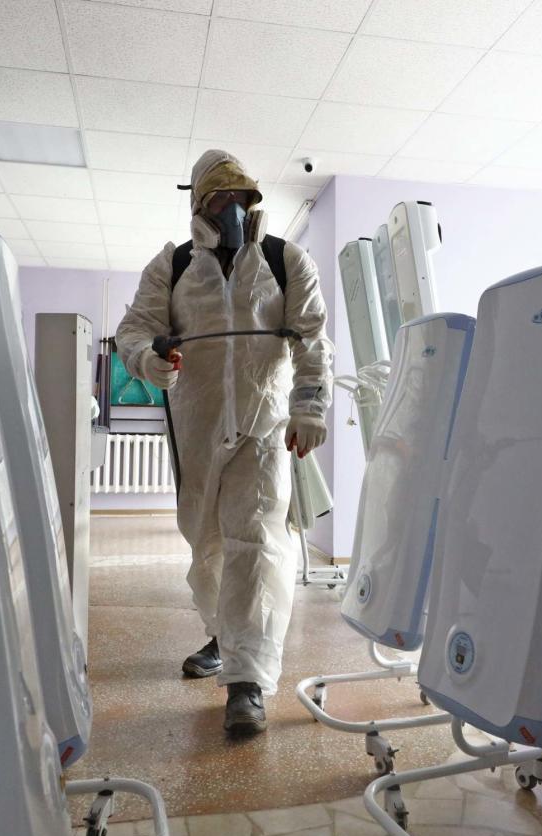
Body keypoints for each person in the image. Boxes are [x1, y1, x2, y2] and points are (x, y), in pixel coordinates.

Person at [115, 150, 333, 736]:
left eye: (242, 198)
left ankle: (246, 682)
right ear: (200, 205)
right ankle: (223, 636)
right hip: (197, 426)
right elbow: (134, 328)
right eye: (220, 200)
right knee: (207, 544)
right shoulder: (174, 264)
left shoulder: (286, 261)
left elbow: (312, 334)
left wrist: (309, 405)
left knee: (256, 544)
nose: (232, 209)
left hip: (262, 430)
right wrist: (148, 359)